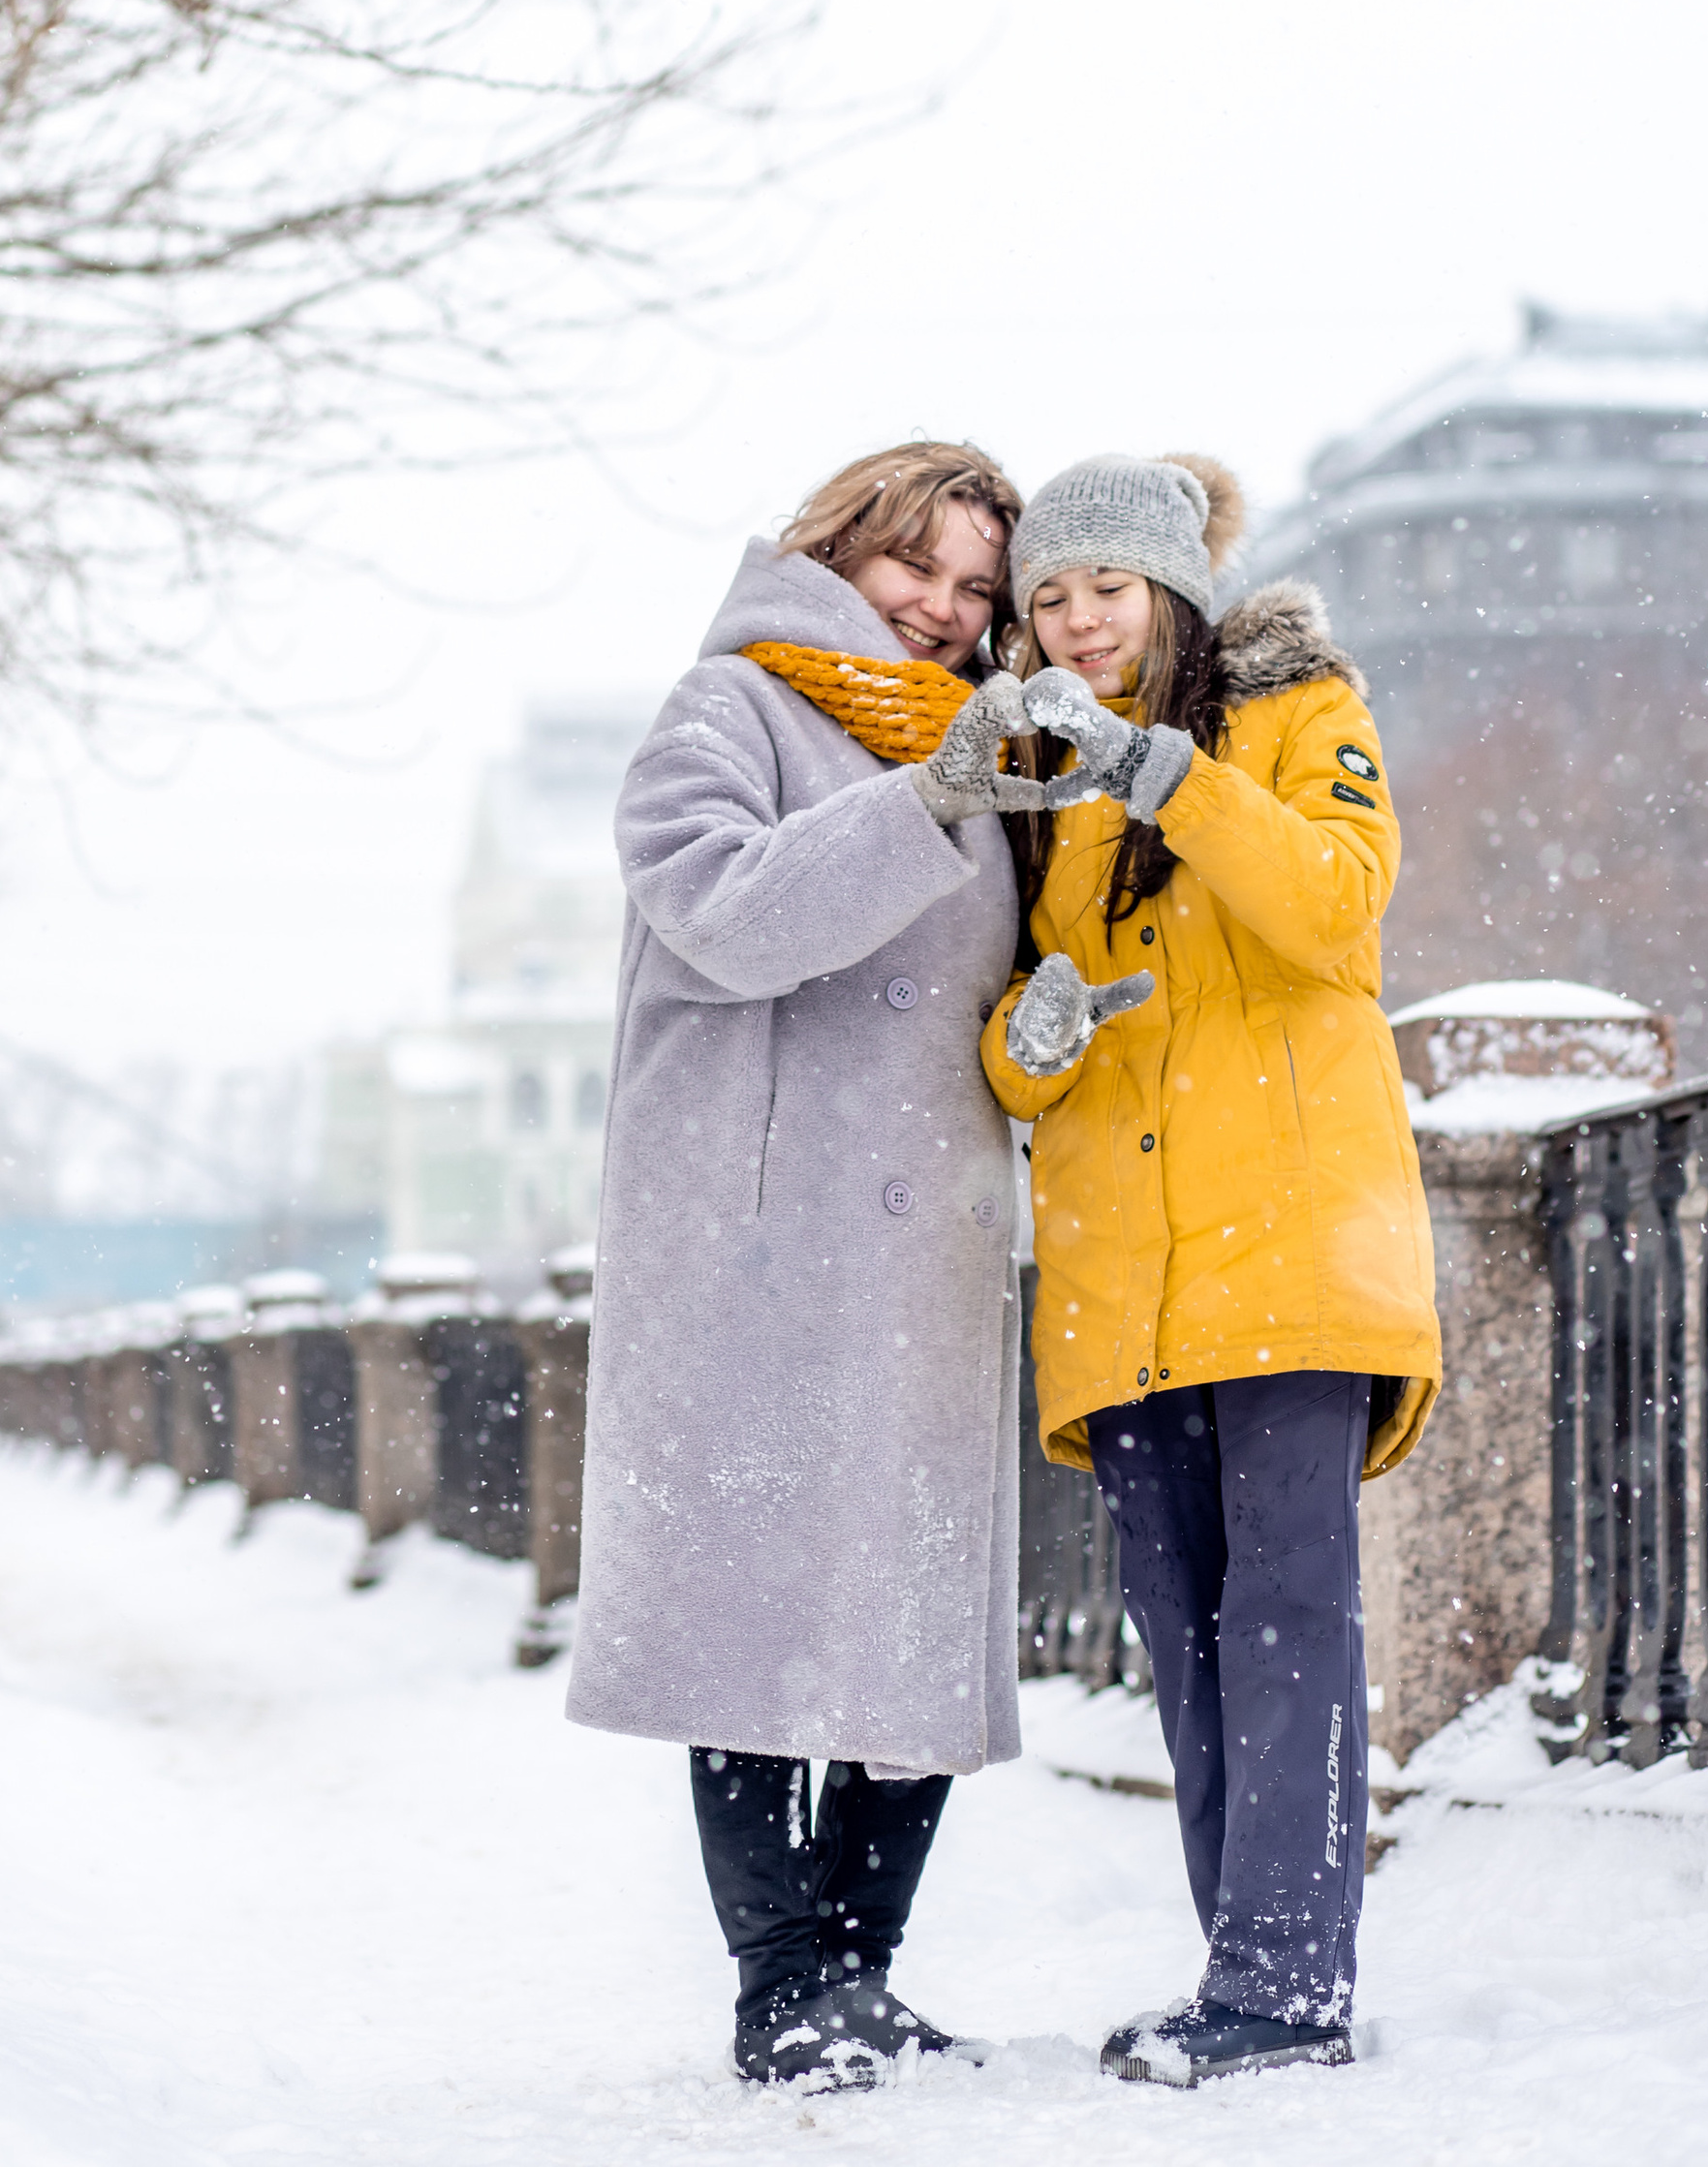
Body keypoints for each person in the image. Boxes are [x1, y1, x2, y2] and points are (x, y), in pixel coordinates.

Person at [567, 441, 1120, 2090]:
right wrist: (934, 792)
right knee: (750, 1608)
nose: (947, 614)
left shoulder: (984, 751)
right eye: (920, 573)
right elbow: (728, 915)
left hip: (925, 1248)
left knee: (911, 1607)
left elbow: (976, 991)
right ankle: (779, 1984)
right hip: (755, 1240)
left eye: (974, 589)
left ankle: (863, 1973)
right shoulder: (725, 707)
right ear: (841, 547)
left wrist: (1041, 1027)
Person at [978, 452, 1442, 2092]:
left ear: (1172, 590)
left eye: (1106, 586)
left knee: (1290, 1619)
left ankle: (1289, 1984)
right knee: (1184, 1634)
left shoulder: (1303, 717)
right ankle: (1240, 1972)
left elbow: (1338, 911)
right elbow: (1034, 1036)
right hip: (1127, 1284)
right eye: (1046, 595)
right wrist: (1026, 1044)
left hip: (1295, 1251)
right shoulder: (1047, 786)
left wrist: (1166, 772)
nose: (1077, 618)